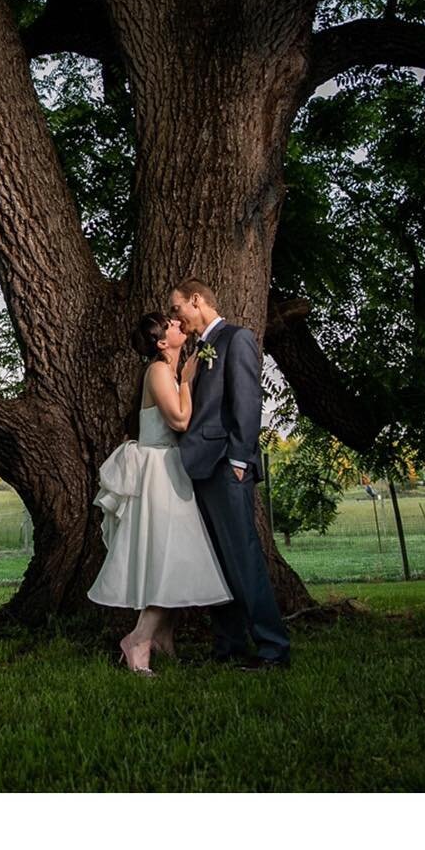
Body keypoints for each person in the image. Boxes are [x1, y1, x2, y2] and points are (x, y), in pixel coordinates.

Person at [88, 311, 233, 674]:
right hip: (157, 475)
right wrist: (187, 379)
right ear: (160, 342)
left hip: (170, 469)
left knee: (173, 557)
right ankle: (137, 641)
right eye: (170, 324)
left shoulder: (164, 370)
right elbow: (180, 420)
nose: (177, 324)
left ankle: (163, 639)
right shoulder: (157, 371)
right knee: (168, 558)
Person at [167, 278, 291, 670]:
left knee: (241, 557)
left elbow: (248, 401)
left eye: (177, 308)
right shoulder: (198, 349)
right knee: (215, 562)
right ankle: (229, 645)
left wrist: (240, 460)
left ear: (197, 300)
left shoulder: (236, 339)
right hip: (199, 466)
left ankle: (273, 648)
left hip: (225, 465)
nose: (176, 317)